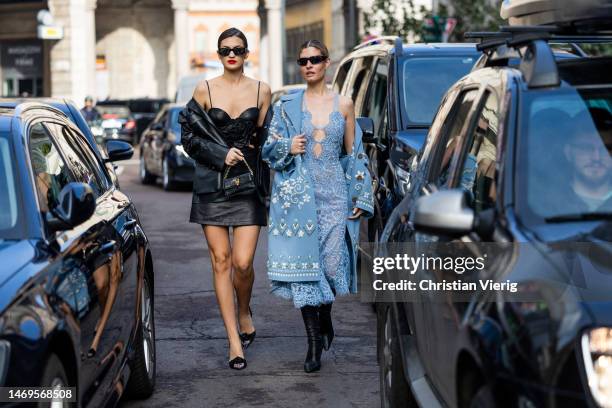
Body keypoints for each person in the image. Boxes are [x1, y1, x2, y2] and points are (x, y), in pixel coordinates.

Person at [262, 39, 374, 373]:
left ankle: (325, 316)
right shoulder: (287, 106)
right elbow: (268, 149)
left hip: (335, 197)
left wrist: (360, 195)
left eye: (315, 59)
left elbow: (355, 155)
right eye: (303, 61)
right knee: (306, 275)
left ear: (327, 63)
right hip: (299, 201)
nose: (308, 65)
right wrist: (287, 146)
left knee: (329, 266)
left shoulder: (344, 104)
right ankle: (312, 344)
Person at [178, 27, 272, 370]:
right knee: (221, 261)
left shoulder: (263, 91)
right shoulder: (204, 89)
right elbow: (187, 137)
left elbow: (265, 142)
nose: (231, 54)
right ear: (218, 55)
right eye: (224, 50)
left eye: (237, 49)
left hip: (247, 187)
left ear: (247, 53)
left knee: (243, 263)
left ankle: (244, 309)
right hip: (211, 187)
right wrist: (221, 154)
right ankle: (234, 340)